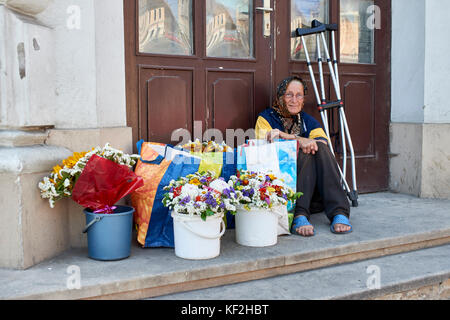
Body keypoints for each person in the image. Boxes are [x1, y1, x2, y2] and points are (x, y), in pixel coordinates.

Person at [255, 76, 352, 236]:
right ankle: (299, 214)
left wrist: (292, 137)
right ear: (280, 97)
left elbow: (323, 143)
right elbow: (266, 144)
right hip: (282, 189)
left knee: (318, 146)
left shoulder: (308, 121)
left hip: (314, 195)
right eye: (289, 95)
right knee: (303, 151)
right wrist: (298, 141)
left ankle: (338, 211)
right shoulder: (265, 119)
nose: (294, 100)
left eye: (299, 95)